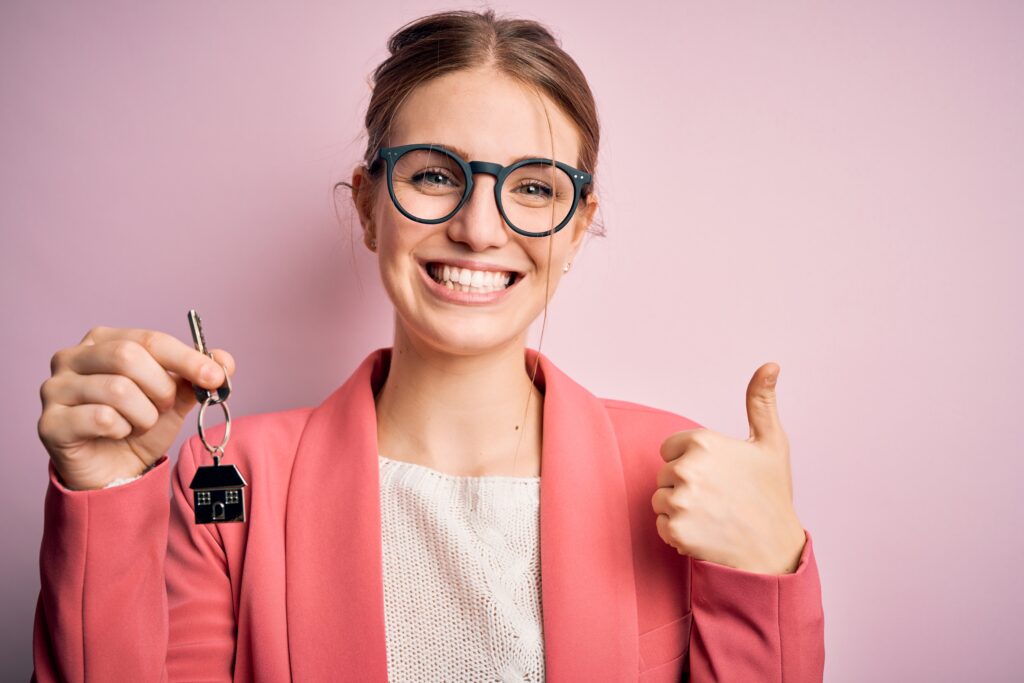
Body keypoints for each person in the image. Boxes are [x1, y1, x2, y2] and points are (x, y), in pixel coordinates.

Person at [32, 8, 824, 682]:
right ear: (370, 204)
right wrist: (102, 500)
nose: (480, 228)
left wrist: (768, 574)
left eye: (535, 187)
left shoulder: (679, 474)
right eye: (436, 175)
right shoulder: (235, 477)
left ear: (577, 230)